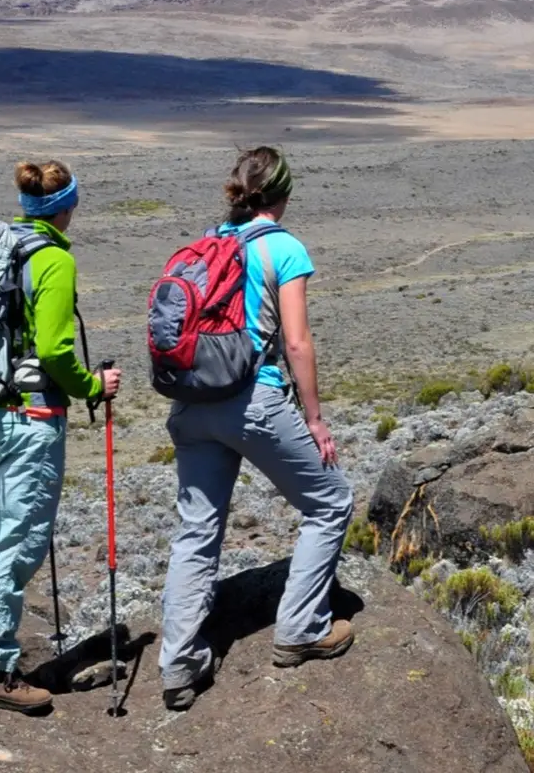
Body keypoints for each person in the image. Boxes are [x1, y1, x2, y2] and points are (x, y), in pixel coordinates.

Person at [159, 146, 354, 711]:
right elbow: (296, 342)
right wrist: (314, 420)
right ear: (283, 195)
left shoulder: (210, 241)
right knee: (331, 502)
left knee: (197, 532)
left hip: (192, 405)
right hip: (253, 400)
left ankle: (178, 665)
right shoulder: (283, 247)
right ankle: (301, 628)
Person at [0, 160, 122, 713]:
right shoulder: (51, 259)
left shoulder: (2, 248)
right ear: (67, 206)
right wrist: (92, 385)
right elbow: (54, 350)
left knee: (0, 532)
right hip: (29, 418)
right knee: (17, 542)